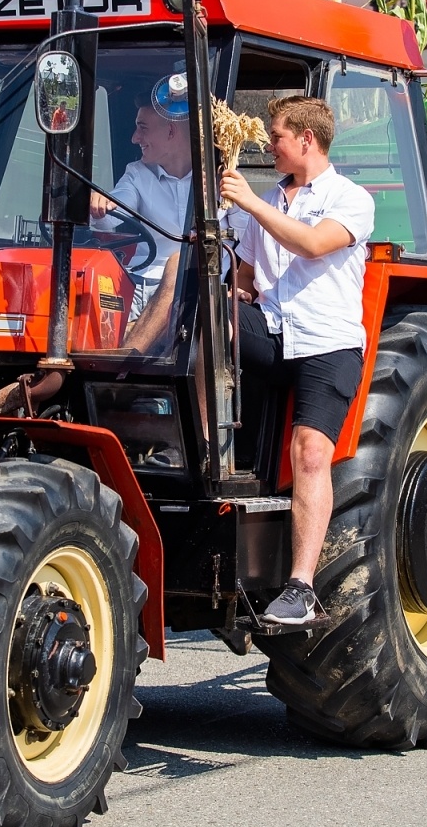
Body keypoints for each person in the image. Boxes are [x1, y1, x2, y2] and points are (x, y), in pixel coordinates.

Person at [219, 95, 374, 626]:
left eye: (278, 135)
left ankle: (302, 586)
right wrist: (234, 293)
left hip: (327, 343)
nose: (270, 143)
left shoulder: (351, 199)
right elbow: (244, 277)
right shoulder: (265, 200)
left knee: (310, 452)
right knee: (207, 319)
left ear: (306, 139)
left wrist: (249, 206)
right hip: (274, 332)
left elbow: (311, 245)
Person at [90, 95, 192, 318]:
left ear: (171, 132)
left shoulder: (221, 178)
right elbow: (114, 212)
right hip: (141, 286)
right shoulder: (137, 173)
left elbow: (244, 238)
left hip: (197, 290)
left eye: (142, 128)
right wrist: (98, 204)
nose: (135, 138)